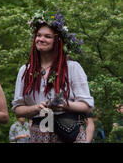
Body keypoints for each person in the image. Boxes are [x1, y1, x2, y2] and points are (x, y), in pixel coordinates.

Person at [12, 10, 94, 143]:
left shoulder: (72, 68)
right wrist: (36, 108)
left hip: (68, 130)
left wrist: (65, 105)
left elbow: (86, 105)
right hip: (40, 130)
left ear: (57, 41)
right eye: (38, 35)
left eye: (47, 36)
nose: (41, 39)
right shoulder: (25, 70)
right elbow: (18, 109)